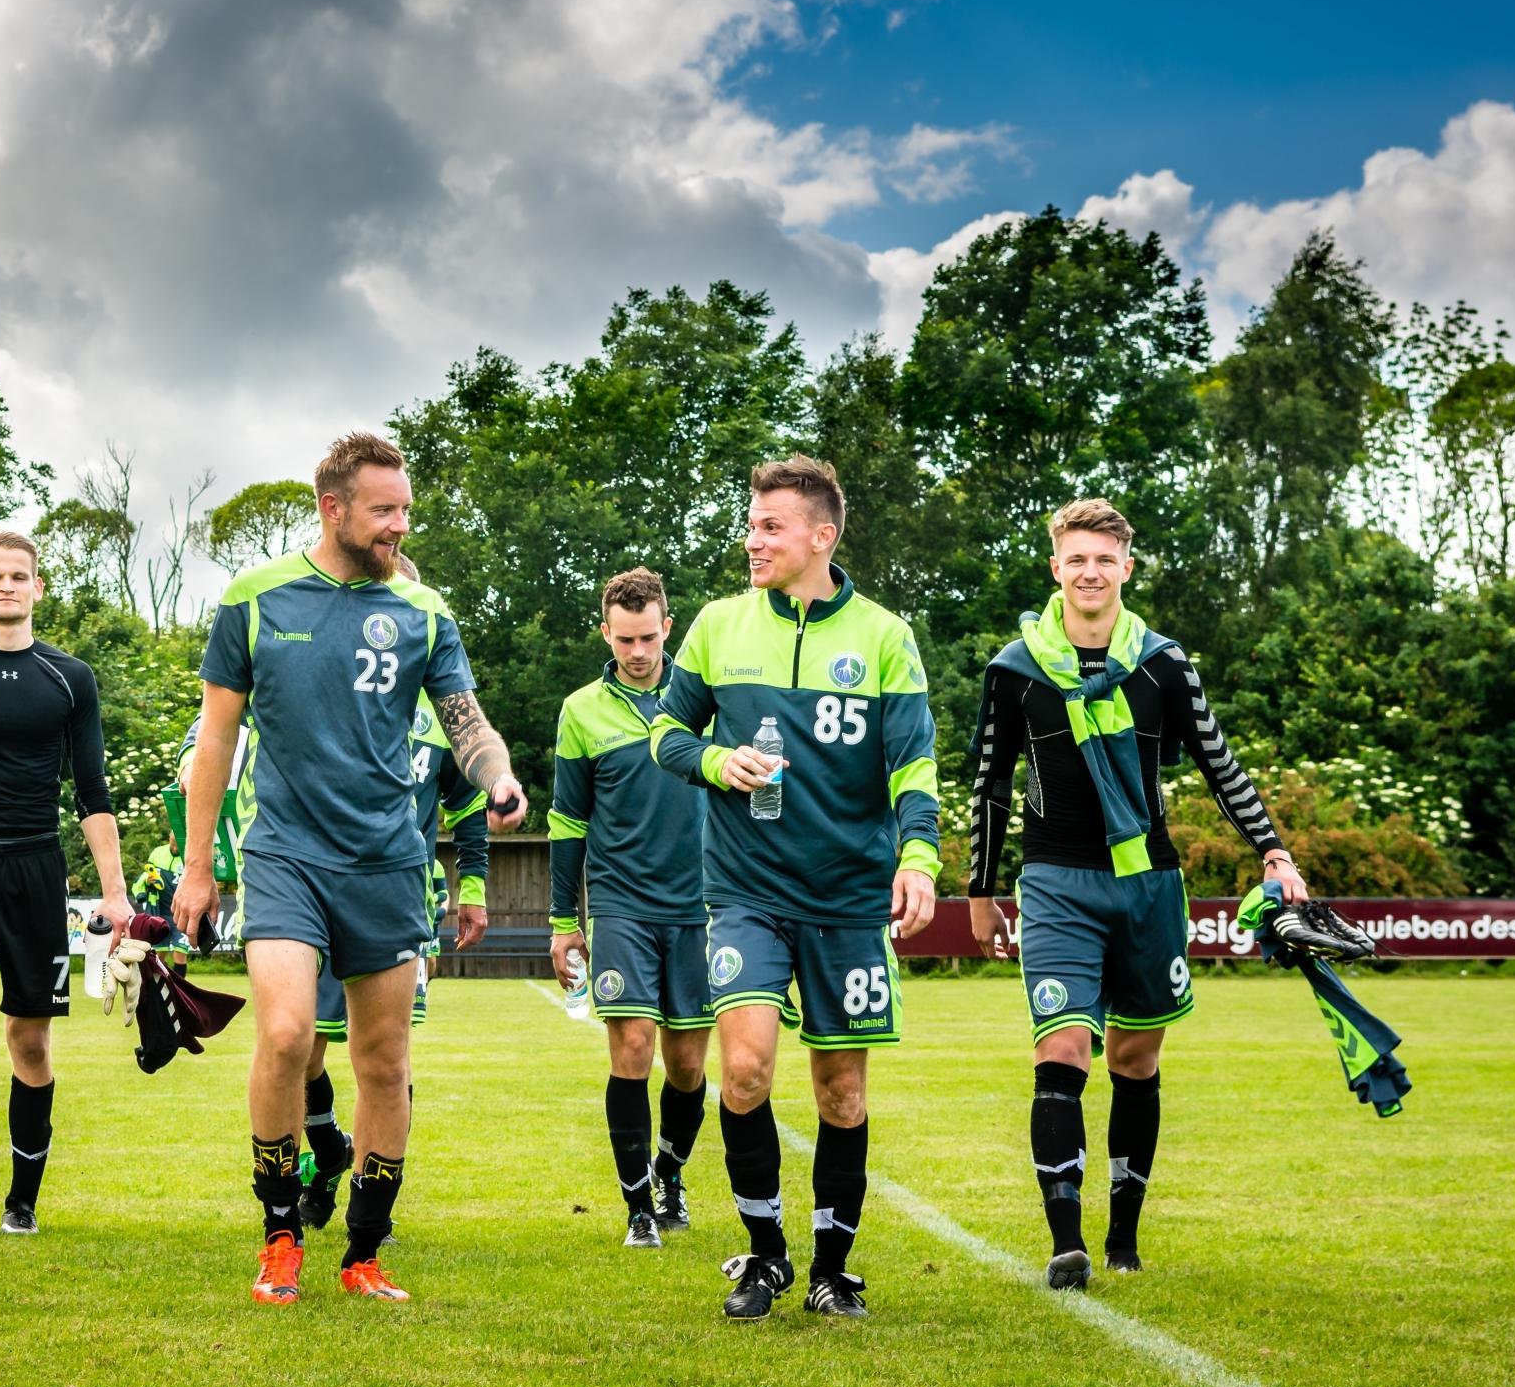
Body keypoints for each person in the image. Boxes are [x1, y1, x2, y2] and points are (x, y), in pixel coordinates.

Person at [174, 431, 526, 1307]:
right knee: (287, 1033)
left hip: (387, 862)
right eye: (383, 510)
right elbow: (215, 739)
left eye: (405, 509)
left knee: (382, 1058)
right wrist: (196, 866)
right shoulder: (255, 599)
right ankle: (280, 1235)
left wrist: (498, 774)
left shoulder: (424, 611)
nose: (399, 525)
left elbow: (466, 720)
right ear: (332, 508)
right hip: (285, 854)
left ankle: (364, 1250)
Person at [967, 498, 1307, 1288]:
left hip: (1148, 882)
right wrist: (980, 888)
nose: (1090, 572)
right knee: (1061, 1045)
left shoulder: (1164, 663)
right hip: (1055, 880)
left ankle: (1123, 1235)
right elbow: (989, 783)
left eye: (1104, 559)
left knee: (1134, 1055)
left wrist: (1274, 850)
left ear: (1126, 567)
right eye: (1076, 558)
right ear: (1055, 567)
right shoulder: (1015, 668)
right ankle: (1067, 1240)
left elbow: (1220, 764)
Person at [649, 456, 939, 1321]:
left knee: (841, 1090)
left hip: (848, 897)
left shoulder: (885, 636)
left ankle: (831, 1269)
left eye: (771, 526)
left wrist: (918, 856)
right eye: (751, 524)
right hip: (746, 888)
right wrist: (714, 760)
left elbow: (913, 761)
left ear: (822, 535)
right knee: (743, 1069)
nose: (753, 539)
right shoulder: (716, 625)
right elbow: (666, 730)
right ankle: (767, 1255)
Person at [0, 532, 132, 1237]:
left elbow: (92, 789)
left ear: (38, 587)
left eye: (19, 575)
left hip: (38, 872)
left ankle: (23, 1198)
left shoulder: (69, 677)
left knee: (31, 1042)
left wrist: (115, 892)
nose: (7, 586)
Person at [548, 566, 709, 1251]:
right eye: (624, 639)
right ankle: (639, 1206)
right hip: (621, 904)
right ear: (605, 634)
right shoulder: (580, 710)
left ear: (667, 627)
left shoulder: (705, 699)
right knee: (634, 1048)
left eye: (648, 637)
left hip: (702, 905)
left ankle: (669, 1172)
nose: (638, 651)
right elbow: (567, 820)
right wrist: (563, 922)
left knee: (688, 1066)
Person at [299, 682, 491, 1231]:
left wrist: (473, 887)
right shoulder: (331, 681)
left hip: (400, 902)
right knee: (300, 1049)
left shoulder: (444, 710)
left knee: (387, 1057)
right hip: (315, 892)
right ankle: (328, 1153)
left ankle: (371, 1206)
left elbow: (468, 803)